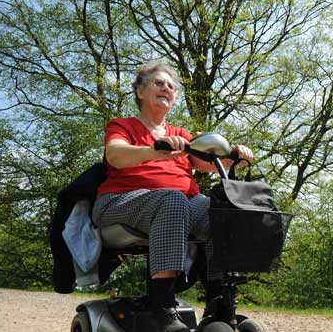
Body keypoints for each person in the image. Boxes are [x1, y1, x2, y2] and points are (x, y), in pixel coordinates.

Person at [92, 60, 253, 332]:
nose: (166, 88)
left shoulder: (181, 135)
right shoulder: (122, 125)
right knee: (172, 199)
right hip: (120, 202)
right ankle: (162, 306)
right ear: (140, 92)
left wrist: (235, 156)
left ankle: (219, 305)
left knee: (224, 212)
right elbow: (115, 155)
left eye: (171, 86)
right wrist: (155, 150)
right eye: (158, 83)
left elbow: (211, 163)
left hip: (176, 206)